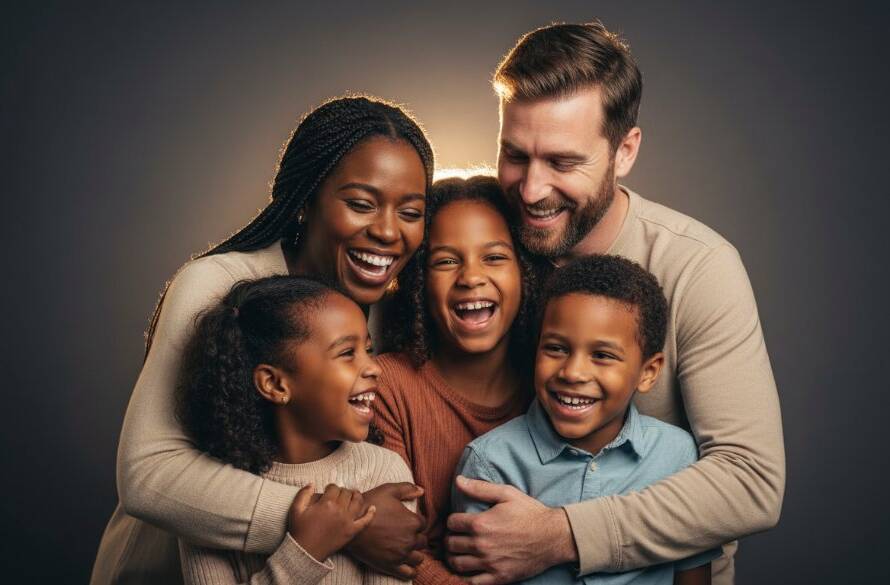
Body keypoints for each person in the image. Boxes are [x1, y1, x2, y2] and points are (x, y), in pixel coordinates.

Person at [446, 22, 785, 585]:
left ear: (624, 151)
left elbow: (750, 482)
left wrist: (562, 535)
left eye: (562, 162)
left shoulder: (699, 266)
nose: (530, 190)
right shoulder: (475, 244)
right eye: (514, 155)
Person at [91, 95, 435, 585]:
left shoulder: (392, 311)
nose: (387, 231)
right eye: (360, 204)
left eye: (411, 212)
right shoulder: (218, 286)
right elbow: (149, 477)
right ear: (306, 200)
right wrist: (342, 524)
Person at [453, 255, 721, 585]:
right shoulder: (491, 463)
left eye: (602, 355)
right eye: (556, 348)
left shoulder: (678, 457)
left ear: (648, 372)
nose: (573, 372)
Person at [176, 275, 415, 585]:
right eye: (347, 353)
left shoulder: (384, 471)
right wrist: (305, 552)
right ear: (275, 384)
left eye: (368, 349)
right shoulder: (213, 500)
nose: (374, 367)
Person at [371, 176, 542, 584]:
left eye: (495, 257)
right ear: (418, 282)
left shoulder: (555, 383)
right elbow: (396, 548)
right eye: (447, 261)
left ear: (524, 273)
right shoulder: (387, 387)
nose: (471, 277)